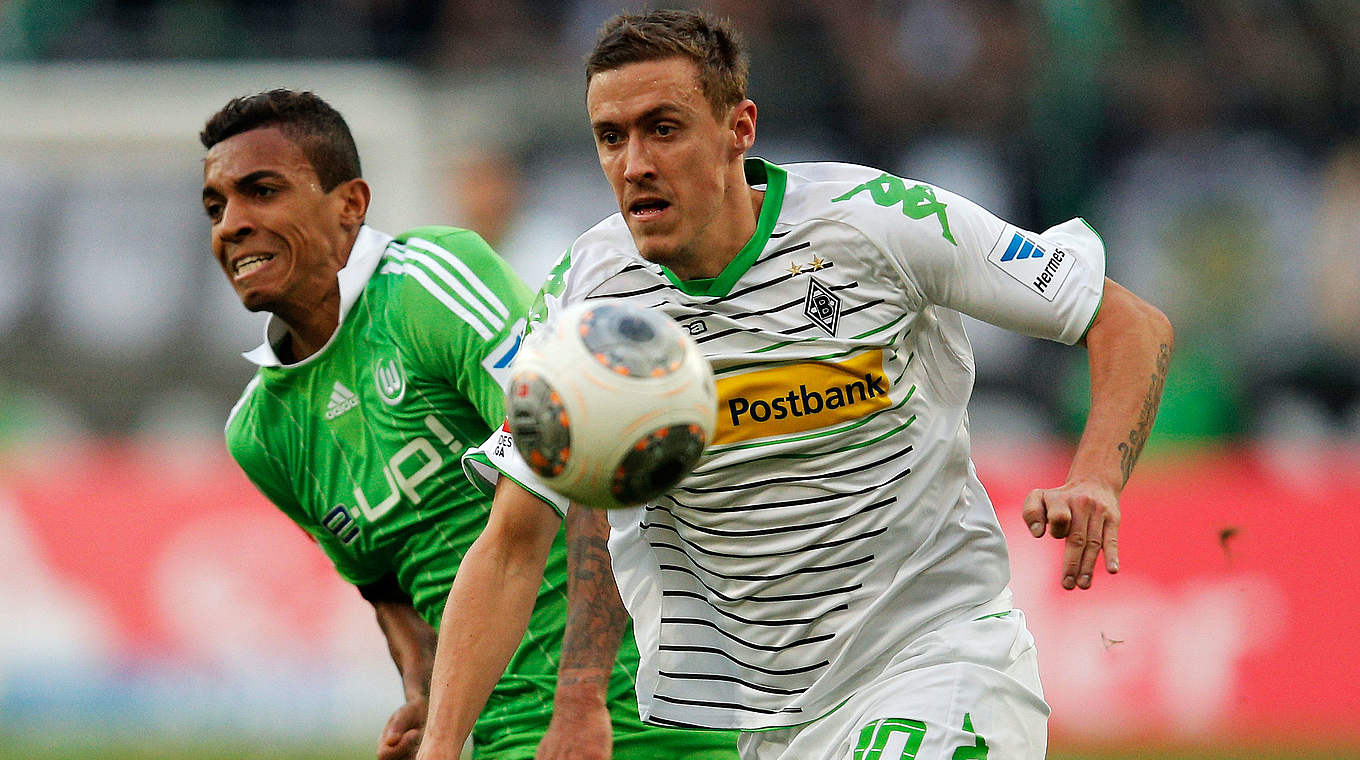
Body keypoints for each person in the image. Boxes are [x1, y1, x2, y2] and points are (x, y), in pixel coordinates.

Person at [416, 9, 1173, 760]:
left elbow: (1130, 324)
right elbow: (515, 544)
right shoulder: (588, 300)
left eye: (663, 128)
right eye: (611, 137)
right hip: (771, 723)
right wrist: (446, 747)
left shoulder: (876, 224)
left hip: (939, 665)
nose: (634, 162)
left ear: (739, 128)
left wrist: (1097, 479)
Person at [201, 89, 739, 760]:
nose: (231, 225)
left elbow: (589, 454)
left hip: (641, 721)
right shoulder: (261, 434)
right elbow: (391, 594)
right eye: (217, 207)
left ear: (350, 204)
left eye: (261, 191)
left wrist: (580, 699)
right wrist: (425, 701)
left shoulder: (428, 286)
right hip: (494, 742)